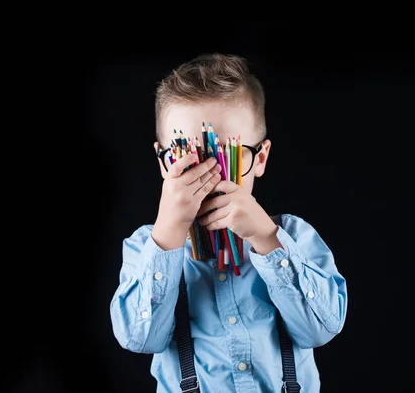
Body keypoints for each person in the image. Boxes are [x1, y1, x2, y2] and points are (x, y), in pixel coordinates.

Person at [110, 53, 348, 393]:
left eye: (224, 154)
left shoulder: (293, 236)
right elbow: (139, 338)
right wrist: (168, 235)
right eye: (187, 157)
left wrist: (266, 238)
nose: (209, 174)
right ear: (164, 163)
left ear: (260, 157)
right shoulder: (145, 246)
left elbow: (320, 329)